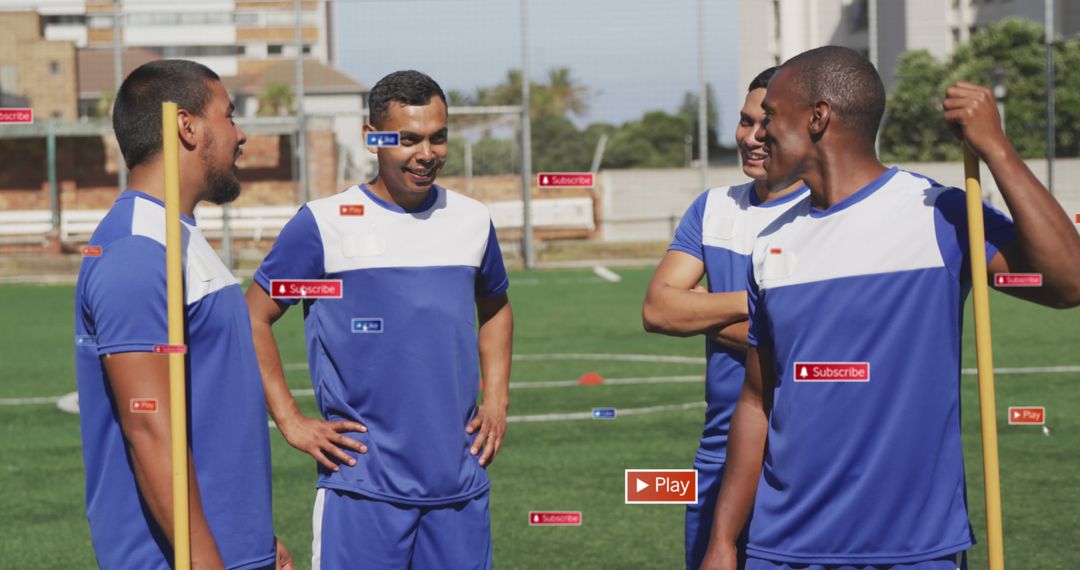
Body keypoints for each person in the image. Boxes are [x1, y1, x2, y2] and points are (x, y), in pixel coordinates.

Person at [700, 46, 1080, 570]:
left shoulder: (938, 214)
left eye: (772, 116)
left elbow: (1067, 282)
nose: (759, 133)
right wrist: (722, 542)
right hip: (782, 549)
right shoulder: (769, 242)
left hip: (914, 550)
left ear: (818, 118)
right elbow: (756, 400)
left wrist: (997, 149)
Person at [246, 69, 513, 570]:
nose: (426, 153)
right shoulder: (323, 224)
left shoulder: (472, 220)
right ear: (372, 139)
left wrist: (496, 398)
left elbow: (495, 306)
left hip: (459, 487)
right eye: (408, 139)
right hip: (362, 490)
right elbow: (253, 317)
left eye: (438, 138)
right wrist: (290, 421)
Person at [74, 60, 291, 569]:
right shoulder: (136, 250)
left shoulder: (178, 235)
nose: (240, 135)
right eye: (229, 116)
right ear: (186, 126)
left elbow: (209, 406)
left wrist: (254, 541)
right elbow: (149, 427)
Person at [642, 66, 808, 570]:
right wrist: (760, 303)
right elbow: (659, 308)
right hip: (718, 452)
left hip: (803, 453)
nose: (751, 137)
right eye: (743, 121)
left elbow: (808, 340)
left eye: (766, 123)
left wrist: (706, 308)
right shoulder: (713, 208)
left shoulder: (826, 211)